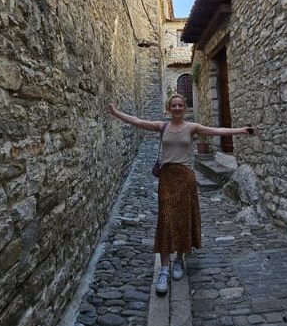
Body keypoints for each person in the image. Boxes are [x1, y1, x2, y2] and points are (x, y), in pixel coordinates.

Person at [106, 94, 256, 295]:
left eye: (180, 105)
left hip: (186, 178)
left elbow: (216, 131)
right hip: (167, 178)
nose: (177, 108)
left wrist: (242, 131)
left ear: (184, 108)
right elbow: (138, 121)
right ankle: (164, 269)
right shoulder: (162, 126)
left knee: (183, 220)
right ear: (169, 108)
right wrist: (116, 113)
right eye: (173, 105)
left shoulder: (192, 128)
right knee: (166, 220)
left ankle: (179, 260)